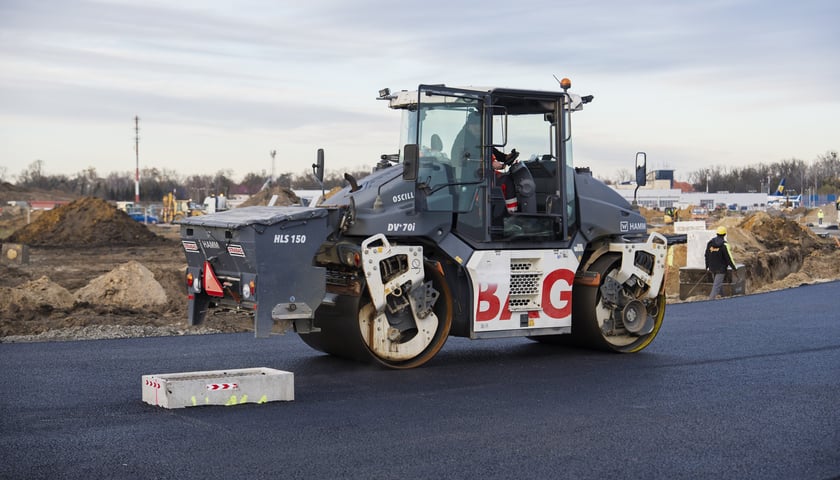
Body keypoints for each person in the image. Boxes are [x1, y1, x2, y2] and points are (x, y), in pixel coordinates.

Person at [705, 226, 738, 300]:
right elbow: (729, 258)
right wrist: (734, 268)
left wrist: (707, 266)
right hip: (721, 269)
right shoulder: (724, 245)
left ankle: (723, 298)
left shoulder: (710, 243)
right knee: (716, 285)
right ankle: (710, 300)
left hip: (712, 267)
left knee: (718, 283)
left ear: (717, 233)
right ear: (724, 234)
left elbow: (706, 255)